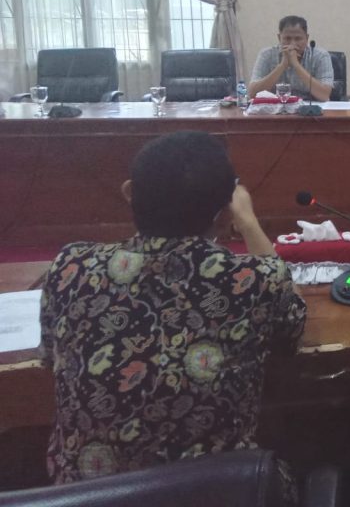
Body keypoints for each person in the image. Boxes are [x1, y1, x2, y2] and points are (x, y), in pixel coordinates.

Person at [40, 131, 306, 484]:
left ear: (129, 193)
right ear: (224, 212)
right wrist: (249, 222)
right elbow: (293, 324)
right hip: (217, 493)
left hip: (84, 496)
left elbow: (49, 358)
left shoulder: (70, 267)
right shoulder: (254, 280)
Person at [250, 15, 333, 102]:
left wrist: (296, 65)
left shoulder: (321, 56)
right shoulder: (266, 55)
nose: (292, 44)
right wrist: (282, 66)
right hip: (276, 107)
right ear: (279, 38)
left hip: (309, 107)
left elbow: (324, 95)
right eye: (287, 38)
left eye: (298, 39)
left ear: (307, 38)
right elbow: (252, 94)